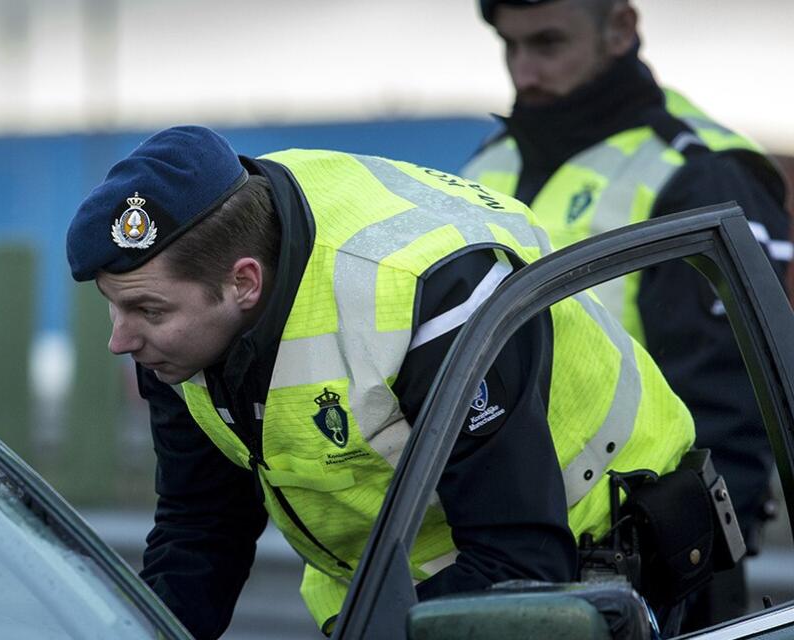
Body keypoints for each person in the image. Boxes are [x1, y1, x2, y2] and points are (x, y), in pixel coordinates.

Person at [66, 125, 700, 638]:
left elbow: (519, 564)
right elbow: (200, 530)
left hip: (611, 562)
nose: (119, 339)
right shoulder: (186, 302)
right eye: (114, 306)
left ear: (244, 282)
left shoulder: (426, 296)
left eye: (147, 311)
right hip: (396, 601)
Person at [462, 0, 791, 627]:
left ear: (620, 28)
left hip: (645, 573)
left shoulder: (699, 173)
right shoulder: (489, 164)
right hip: (498, 545)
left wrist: (678, 585)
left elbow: (734, 416)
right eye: (511, 46)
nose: (524, 72)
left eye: (548, 43)